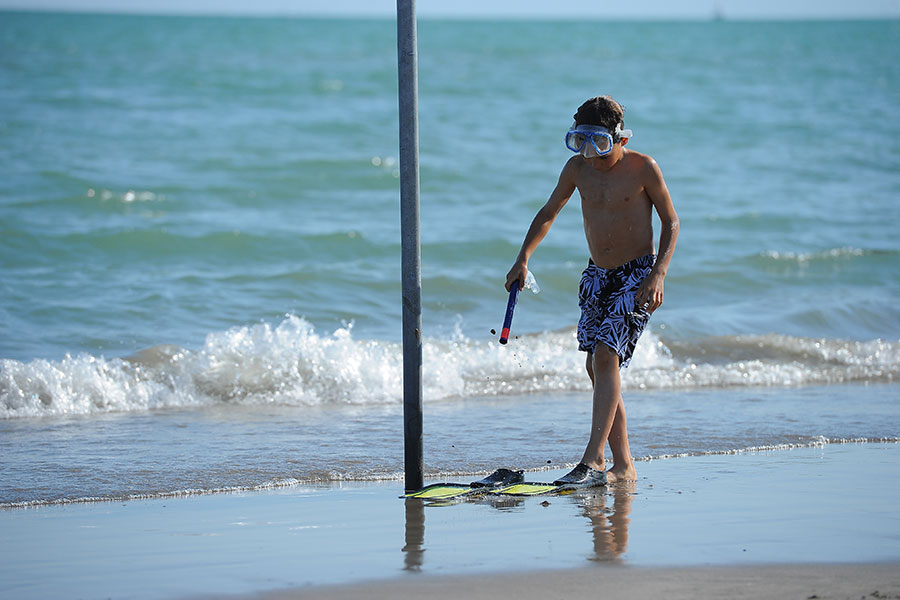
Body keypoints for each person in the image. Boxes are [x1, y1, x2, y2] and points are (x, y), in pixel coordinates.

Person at [505, 95, 679, 484]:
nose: (590, 153)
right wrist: (523, 258)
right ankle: (624, 465)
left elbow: (671, 223)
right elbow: (548, 212)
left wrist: (659, 274)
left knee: (605, 358)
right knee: (597, 367)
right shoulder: (577, 169)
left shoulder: (643, 168)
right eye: (580, 142)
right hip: (597, 276)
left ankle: (594, 460)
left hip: (637, 276)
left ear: (619, 138)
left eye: (599, 144)